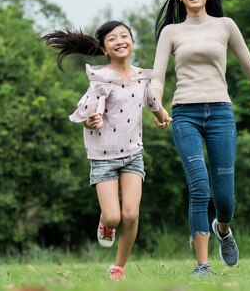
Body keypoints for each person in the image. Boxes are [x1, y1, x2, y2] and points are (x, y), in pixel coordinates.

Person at [152, 0, 250, 276]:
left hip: (220, 112)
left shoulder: (225, 25)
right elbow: (158, 76)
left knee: (224, 198)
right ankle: (203, 264)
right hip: (184, 115)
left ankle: (223, 228)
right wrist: (156, 105)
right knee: (199, 188)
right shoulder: (171, 32)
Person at [43, 21, 171, 280]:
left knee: (131, 214)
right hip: (103, 157)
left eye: (125, 36)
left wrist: (162, 115)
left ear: (133, 43)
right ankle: (106, 222)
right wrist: (90, 120)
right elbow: (86, 113)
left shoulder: (141, 76)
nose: (120, 41)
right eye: (113, 39)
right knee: (114, 218)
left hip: (133, 154)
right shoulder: (101, 79)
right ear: (104, 48)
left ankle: (118, 266)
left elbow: (152, 100)